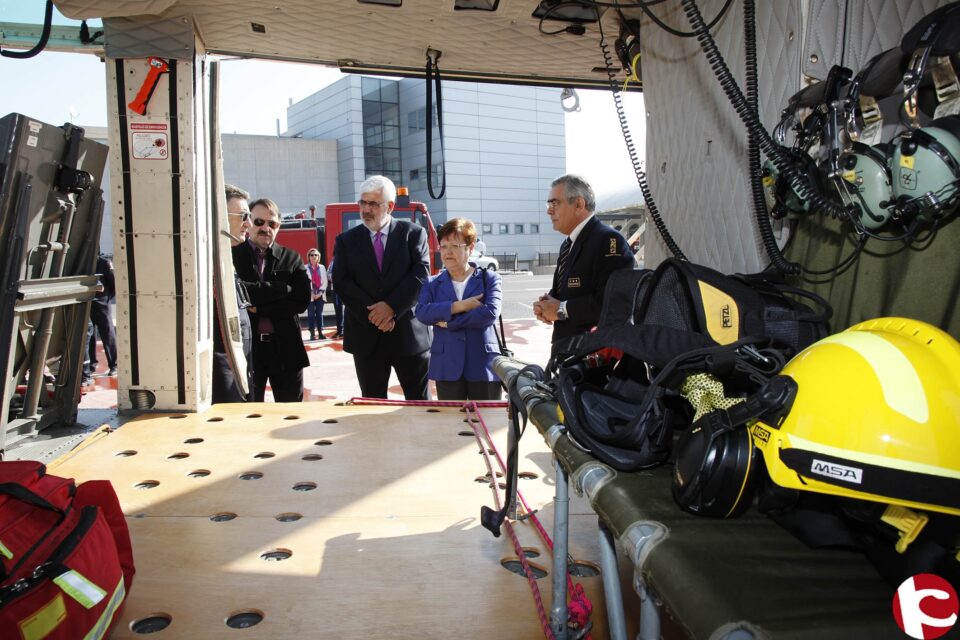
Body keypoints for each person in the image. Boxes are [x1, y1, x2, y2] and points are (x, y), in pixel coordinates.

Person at [332, 175, 431, 399]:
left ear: (390, 206)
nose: (366, 210)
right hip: (366, 338)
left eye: (373, 204)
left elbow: (420, 275)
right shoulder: (346, 241)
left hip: (408, 336)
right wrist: (376, 314)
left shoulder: (413, 234)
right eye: (362, 203)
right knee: (373, 405)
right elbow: (341, 281)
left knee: (420, 404)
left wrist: (392, 308)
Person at [533, 174, 634, 347]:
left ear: (579, 204)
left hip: (598, 360)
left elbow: (616, 302)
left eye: (554, 203)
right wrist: (547, 304)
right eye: (549, 204)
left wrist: (561, 309)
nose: (549, 210)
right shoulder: (568, 244)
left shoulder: (609, 240)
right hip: (570, 354)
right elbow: (567, 293)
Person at [232, 197, 311, 402]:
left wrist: (259, 308)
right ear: (249, 222)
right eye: (259, 222)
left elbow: (301, 300)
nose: (265, 228)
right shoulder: (232, 256)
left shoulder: (291, 258)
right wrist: (281, 289)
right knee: (248, 414)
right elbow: (236, 292)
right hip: (248, 352)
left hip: (286, 349)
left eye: (272, 224)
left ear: (278, 227)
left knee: (291, 412)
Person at [415, 218, 502, 400]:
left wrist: (448, 323)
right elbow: (422, 313)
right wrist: (459, 306)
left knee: (486, 422)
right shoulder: (432, 283)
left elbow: (490, 313)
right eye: (444, 246)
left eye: (454, 245)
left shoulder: (489, 279)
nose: (447, 252)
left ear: (470, 248)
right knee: (451, 425)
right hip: (447, 365)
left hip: (483, 364)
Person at [212, 184, 254, 403]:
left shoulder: (224, 262)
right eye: (243, 215)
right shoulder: (207, 268)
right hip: (224, 384)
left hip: (239, 373)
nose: (249, 223)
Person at [86, 253, 117, 378]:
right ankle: (92, 365)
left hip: (102, 304)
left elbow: (113, 283)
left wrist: (106, 298)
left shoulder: (104, 263)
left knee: (108, 334)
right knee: (90, 336)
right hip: (88, 304)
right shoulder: (84, 264)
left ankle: (114, 365)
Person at [305, 248, 327, 340]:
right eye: (311, 255)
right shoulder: (305, 267)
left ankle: (321, 333)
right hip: (310, 295)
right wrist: (311, 293)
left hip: (320, 294)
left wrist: (320, 293)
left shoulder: (322, 267)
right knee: (310, 314)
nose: (314, 256)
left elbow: (325, 281)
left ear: (318, 257)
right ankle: (312, 334)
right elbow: (304, 282)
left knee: (319, 314)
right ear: (309, 257)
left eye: (316, 255)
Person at [327, 257, 344, 338]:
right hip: (335, 290)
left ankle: (345, 331)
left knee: (347, 310)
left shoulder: (347, 259)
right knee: (338, 310)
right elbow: (328, 274)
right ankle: (339, 330)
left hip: (346, 290)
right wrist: (335, 277)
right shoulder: (332, 262)